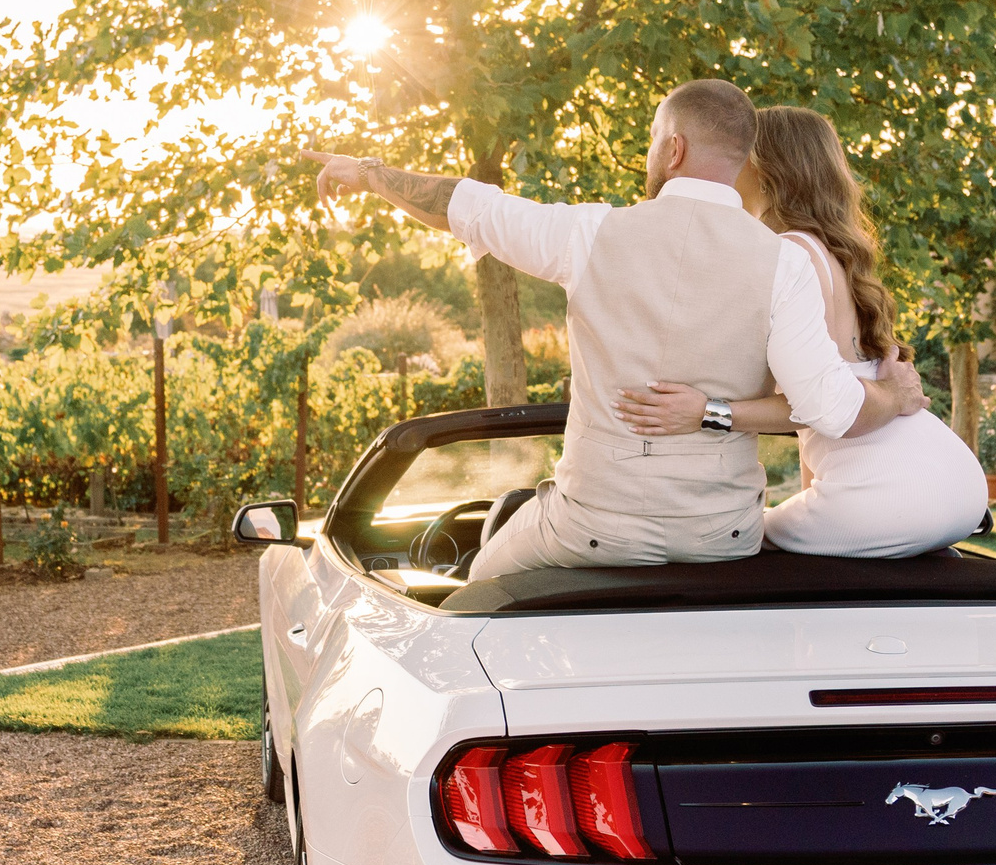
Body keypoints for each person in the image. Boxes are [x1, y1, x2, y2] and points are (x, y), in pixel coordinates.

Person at [301, 80, 929, 580]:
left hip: (594, 525)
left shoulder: (593, 233)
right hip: (722, 536)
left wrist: (370, 173)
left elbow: (471, 206)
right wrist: (894, 397)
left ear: (673, 149)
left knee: (481, 581)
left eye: (654, 140)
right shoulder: (785, 261)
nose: (649, 154)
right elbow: (828, 409)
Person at [612, 105, 987, 558]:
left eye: (741, 151)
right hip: (950, 483)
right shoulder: (829, 250)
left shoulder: (788, 253)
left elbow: (812, 406)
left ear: (764, 165)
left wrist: (706, 412)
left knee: (727, 538)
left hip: (888, 498)